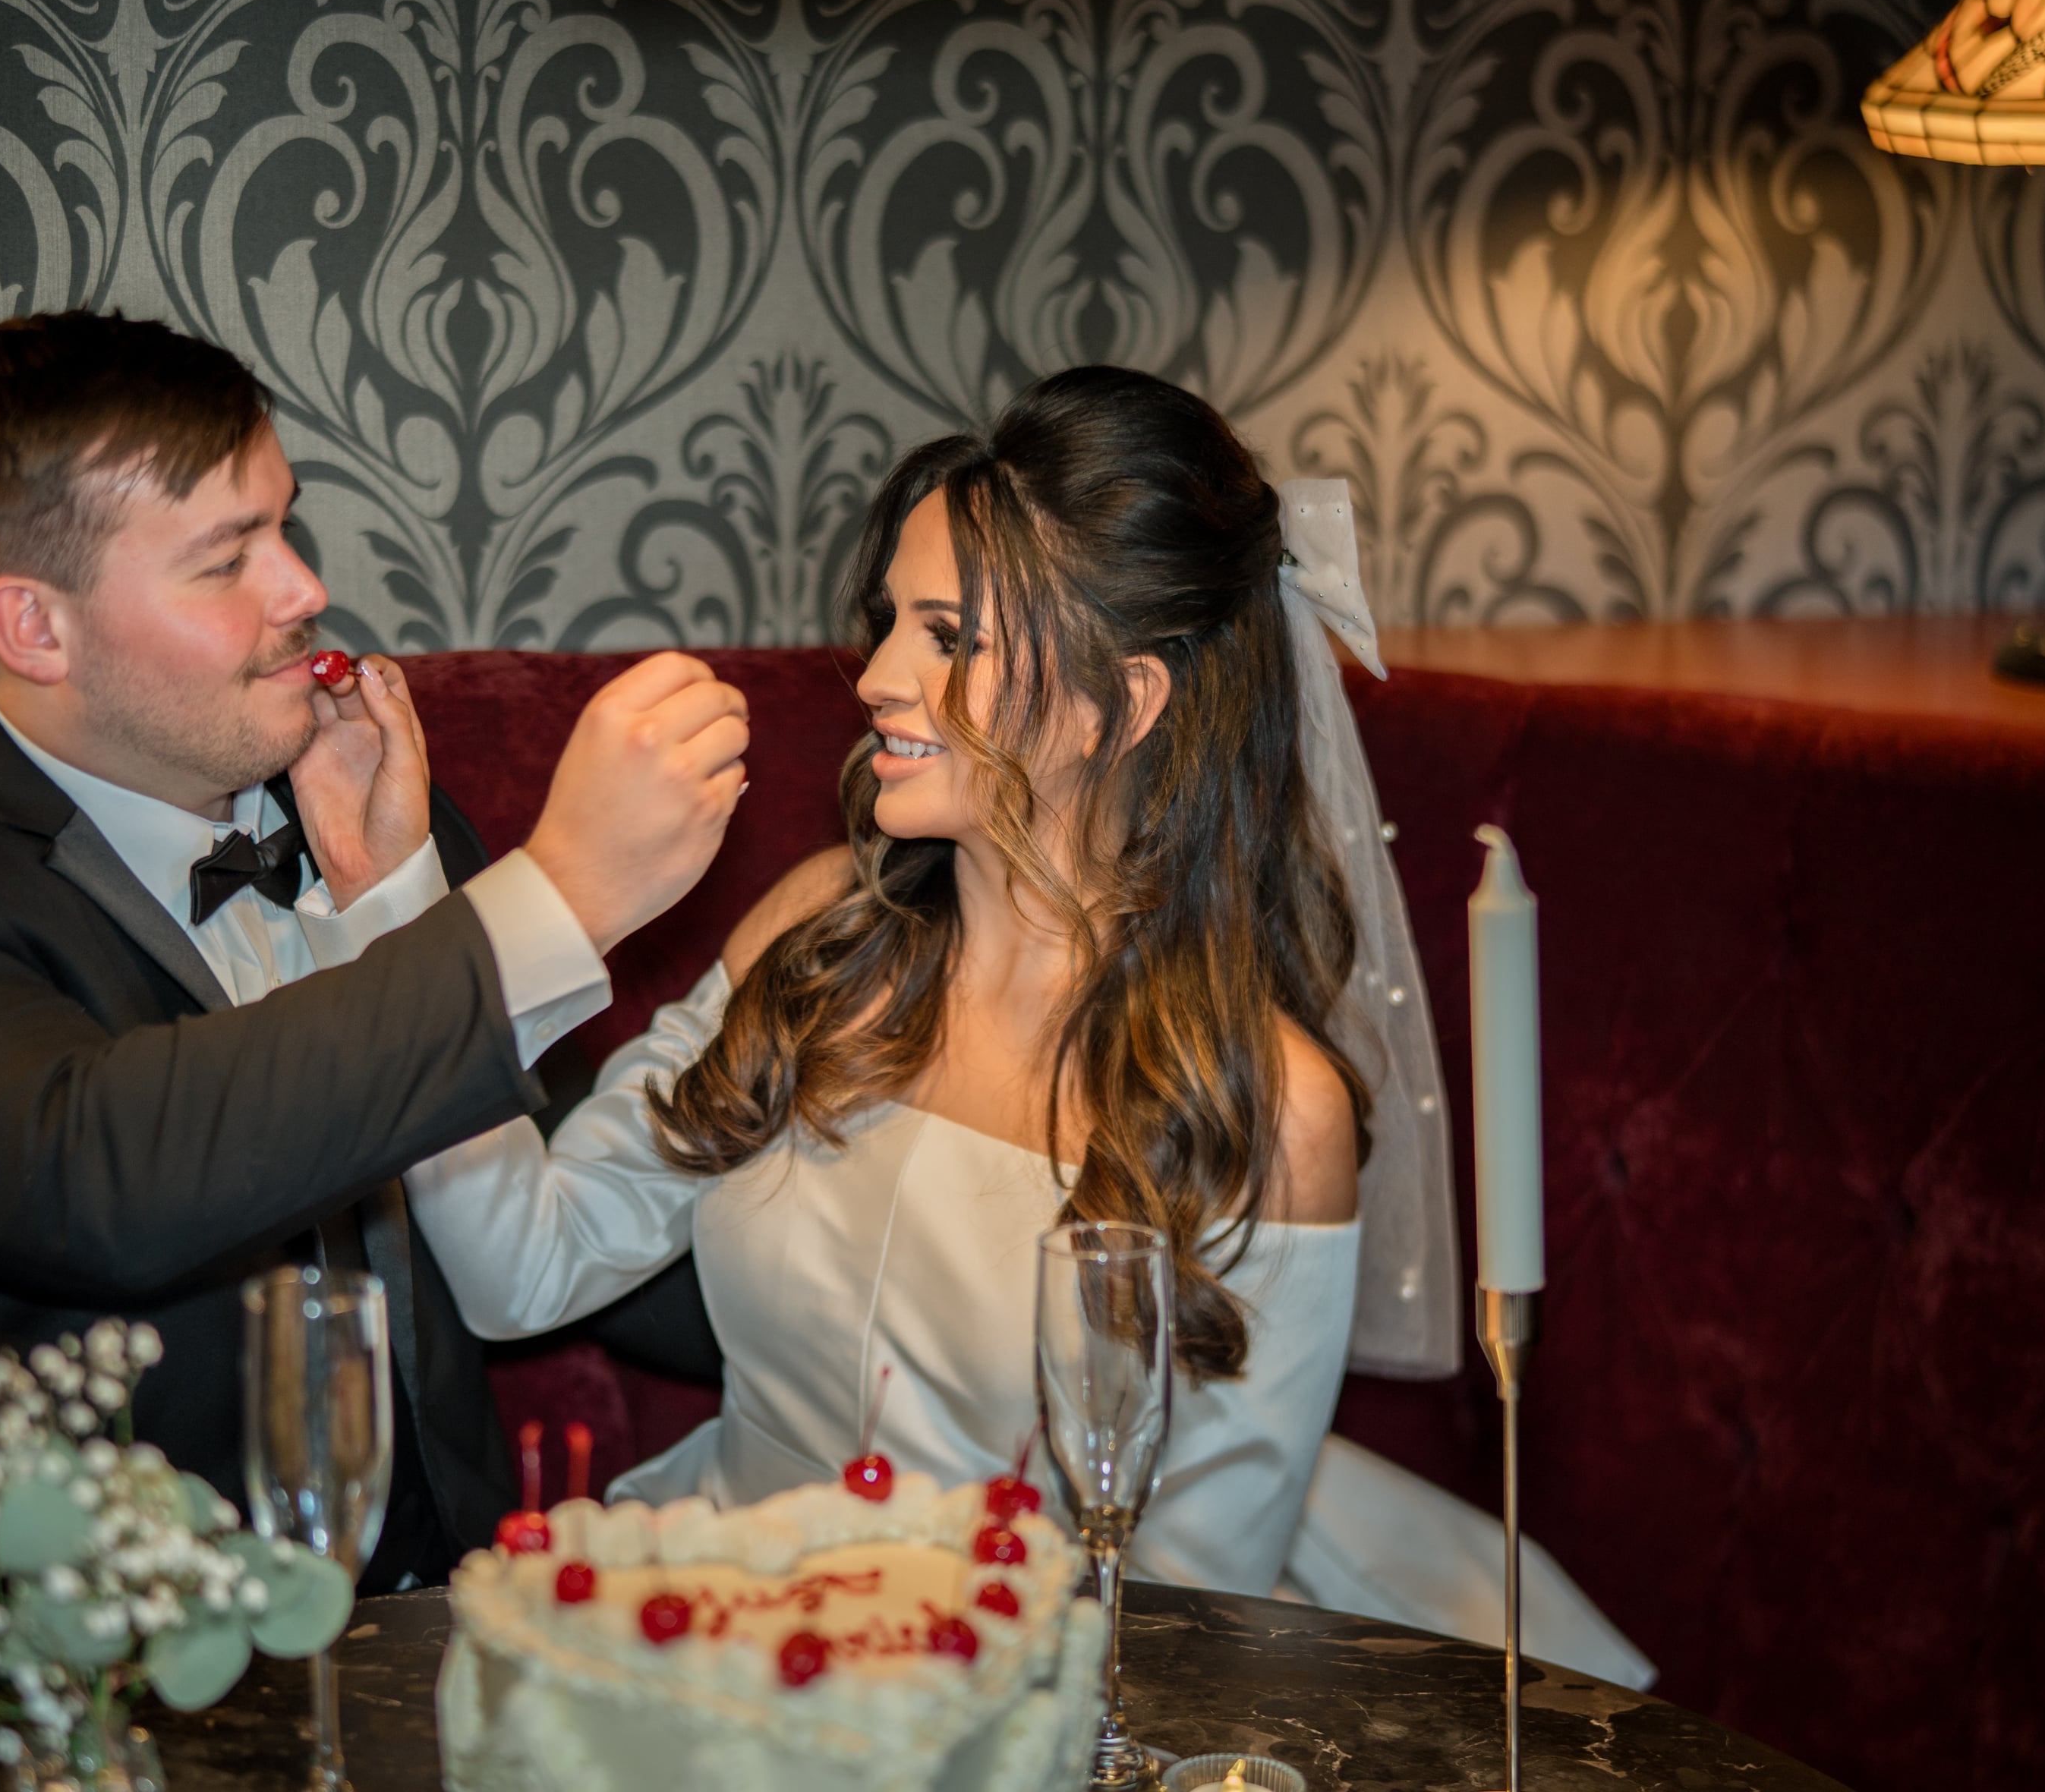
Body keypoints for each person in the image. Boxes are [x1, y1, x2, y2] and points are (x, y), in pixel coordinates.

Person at [407, 366, 1651, 1680]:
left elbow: (1175, 1628)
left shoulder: (1265, 1109)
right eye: (891, 620)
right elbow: (516, 1271)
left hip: (1029, 1701)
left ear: (1123, 703)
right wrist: (406, 909)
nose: (879, 676)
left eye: (949, 637)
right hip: (707, 1622)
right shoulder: (819, 936)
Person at [0, 312, 748, 1785]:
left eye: (287, 527)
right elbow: (89, 1172)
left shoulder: (374, 815)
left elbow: (544, 1235)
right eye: (227, 557)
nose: (305, 589)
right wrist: (553, 901)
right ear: (32, 625)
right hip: (42, 1720)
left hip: (430, 1682)